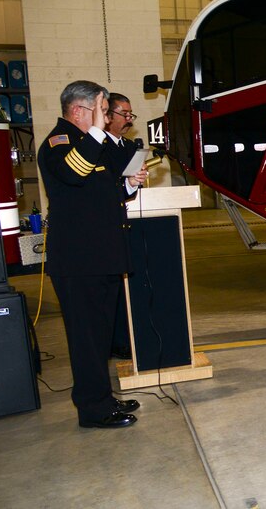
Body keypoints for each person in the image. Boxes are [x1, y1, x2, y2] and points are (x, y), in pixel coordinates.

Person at [38, 80, 148, 428]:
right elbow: (74, 173)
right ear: (78, 111)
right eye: (102, 110)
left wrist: (129, 185)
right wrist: (99, 132)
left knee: (100, 336)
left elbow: (102, 190)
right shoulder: (59, 144)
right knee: (86, 340)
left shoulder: (89, 145)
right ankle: (93, 409)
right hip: (78, 262)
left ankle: (103, 397)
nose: (105, 116)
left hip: (100, 258)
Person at [106, 92, 141, 360]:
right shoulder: (98, 147)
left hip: (131, 223)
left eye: (131, 115)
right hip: (107, 226)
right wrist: (127, 184)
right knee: (112, 291)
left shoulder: (129, 148)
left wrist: (136, 181)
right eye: (124, 114)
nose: (129, 120)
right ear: (108, 115)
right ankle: (115, 341)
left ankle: (127, 337)